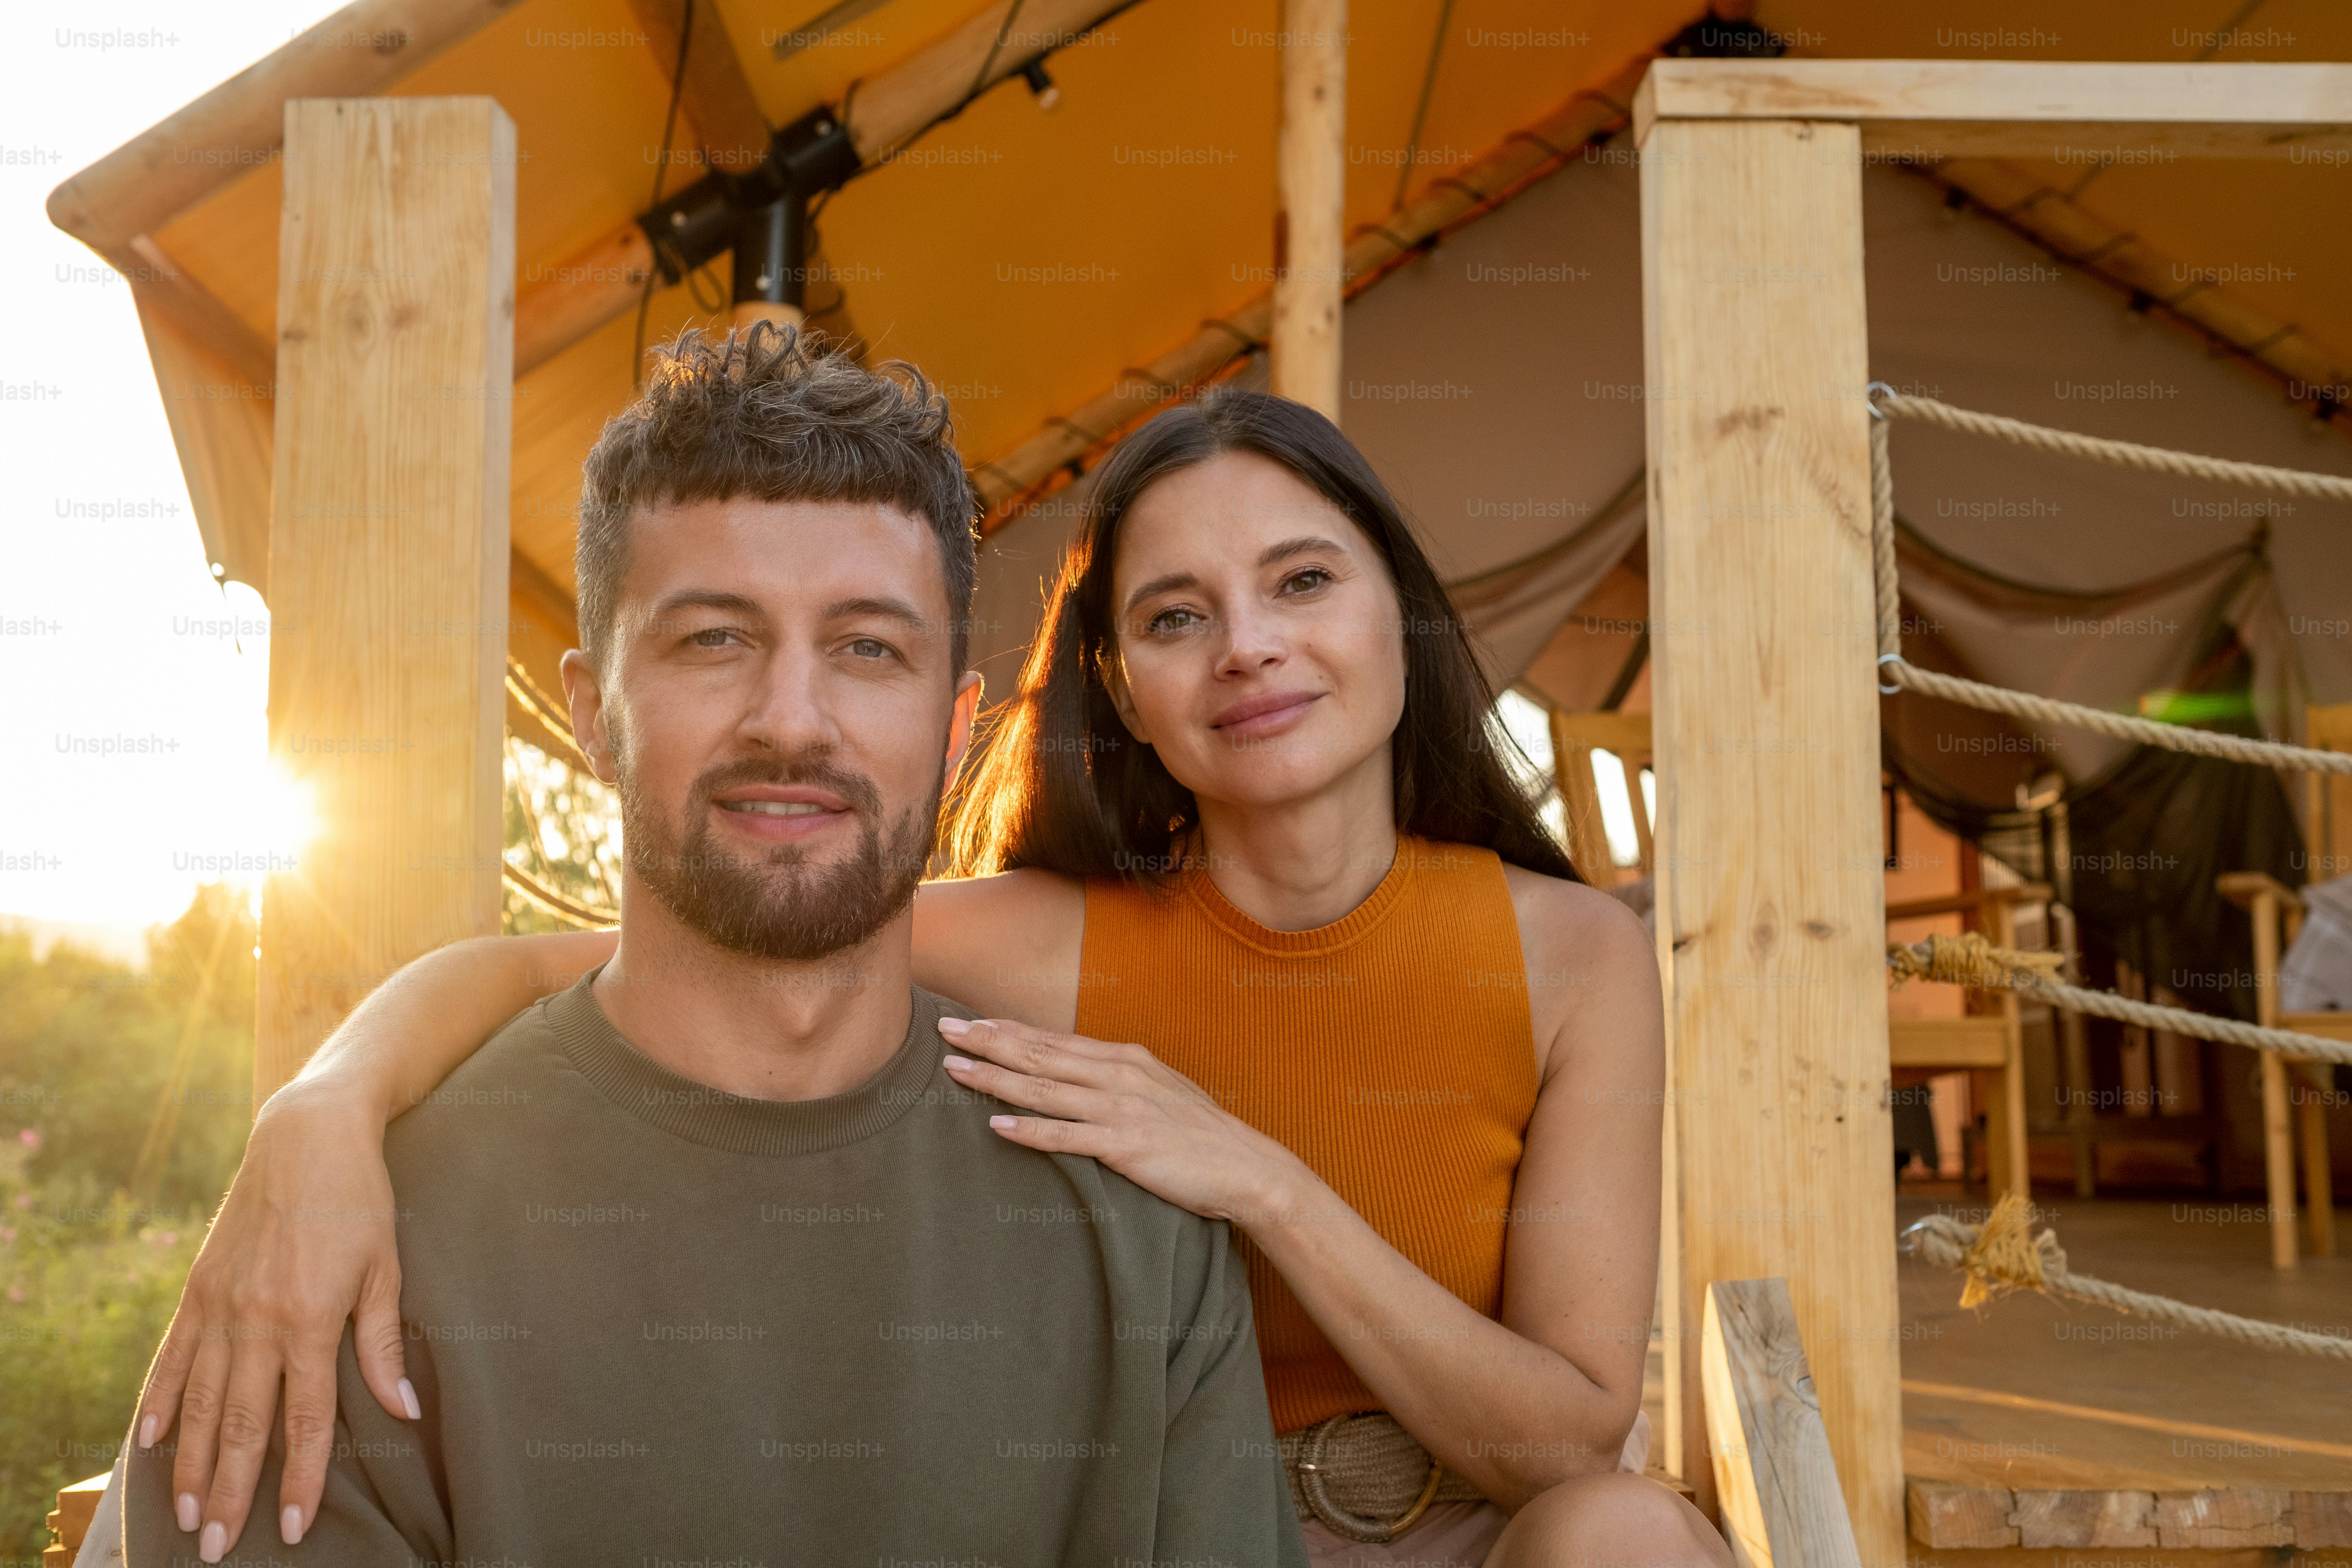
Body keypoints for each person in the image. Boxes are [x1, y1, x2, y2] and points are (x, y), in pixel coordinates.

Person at [142, 375, 1732, 1566]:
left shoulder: (1577, 952)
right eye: (1179, 614)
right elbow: (603, 961)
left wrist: (1262, 1180)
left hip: (1464, 1526)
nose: (1249, 643)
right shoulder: (1035, 937)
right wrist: (322, 1108)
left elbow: (1571, 1428)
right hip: (1214, 1520)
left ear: (1405, 610)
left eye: (1306, 580)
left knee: (1629, 1535)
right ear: (1120, 690)